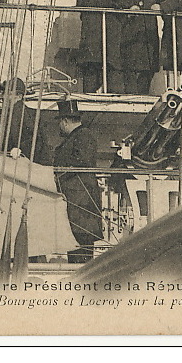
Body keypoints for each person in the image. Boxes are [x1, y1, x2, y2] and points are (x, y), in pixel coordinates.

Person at [53, 99, 103, 263]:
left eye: (60, 122)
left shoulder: (83, 136)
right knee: (76, 250)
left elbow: (82, 161)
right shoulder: (78, 136)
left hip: (81, 206)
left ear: (65, 121)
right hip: (77, 206)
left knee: (81, 253)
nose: (59, 127)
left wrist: (56, 176)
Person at [77, 0, 129, 93]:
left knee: (91, 71)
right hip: (111, 34)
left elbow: (80, 4)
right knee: (113, 71)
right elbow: (123, 5)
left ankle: (88, 101)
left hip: (90, 33)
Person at [120, 0, 165, 94]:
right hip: (130, 34)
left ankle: (143, 96)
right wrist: (128, 6)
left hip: (148, 35)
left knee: (149, 69)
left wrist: (159, 6)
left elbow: (163, 0)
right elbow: (117, 1)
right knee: (130, 70)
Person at [0, 78, 51, 165]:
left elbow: (37, 140)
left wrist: (20, 149)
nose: (3, 97)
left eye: (7, 94)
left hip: (19, 165)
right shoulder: (7, 114)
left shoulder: (22, 114)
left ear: (19, 96)